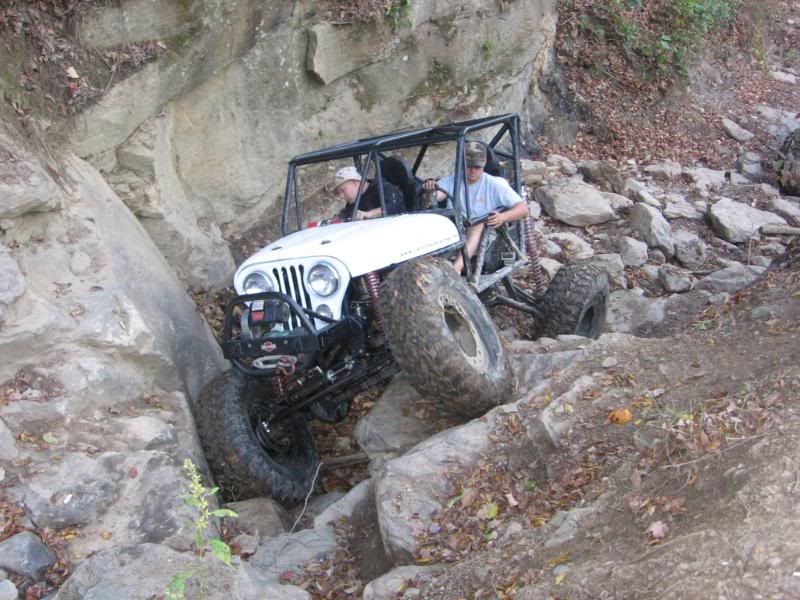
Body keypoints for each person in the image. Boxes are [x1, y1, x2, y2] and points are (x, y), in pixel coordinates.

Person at [423, 142, 530, 273]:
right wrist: (430, 191)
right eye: (468, 166)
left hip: (488, 233)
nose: (472, 171)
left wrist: (503, 217)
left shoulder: (495, 184)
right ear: (462, 164)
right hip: (456, 229)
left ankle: (455, 269)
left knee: (477, 224)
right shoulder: (452, 180)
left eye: (477, 167)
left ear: (484, 164)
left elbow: (523, 209)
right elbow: (435, 198)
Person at [327, 165, 405, 221]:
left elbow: (397, 206)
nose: (341, 196)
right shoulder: (354, 203)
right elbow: (344, 216)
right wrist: (336, 220)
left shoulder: (383, 187)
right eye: (338, 193)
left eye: (343, 190)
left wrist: (369, 214)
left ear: (355, 182)